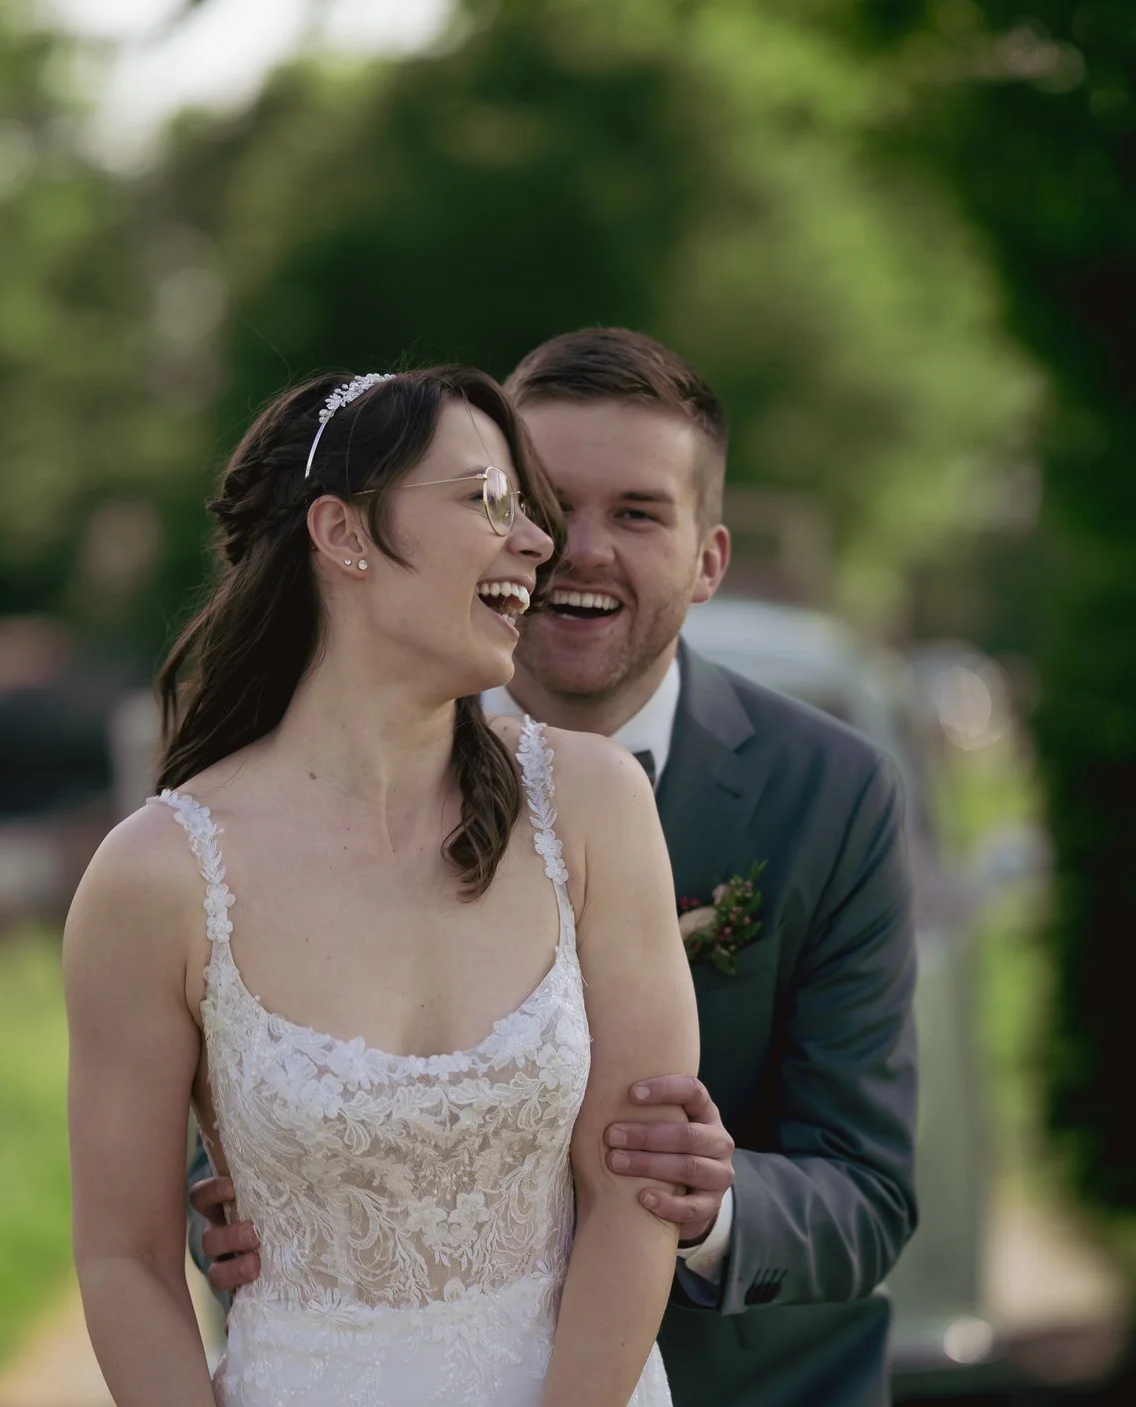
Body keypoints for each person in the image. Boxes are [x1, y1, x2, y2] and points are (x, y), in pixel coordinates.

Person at [192, 330, 921, 1407]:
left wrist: (708, 1206)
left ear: (709, 562)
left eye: (637, 514)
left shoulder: (833, 793)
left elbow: (869, 1192)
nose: (574, 549)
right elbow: (235, 1080)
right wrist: (244, 1209)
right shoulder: (298, 800)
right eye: (538, 503)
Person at [65, 365, 698, 1407]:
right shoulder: (158, 877)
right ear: (343, 533)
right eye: (486, 500)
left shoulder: (592, 806)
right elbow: (124, 1259)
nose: (536, 544)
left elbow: (634, 1187)